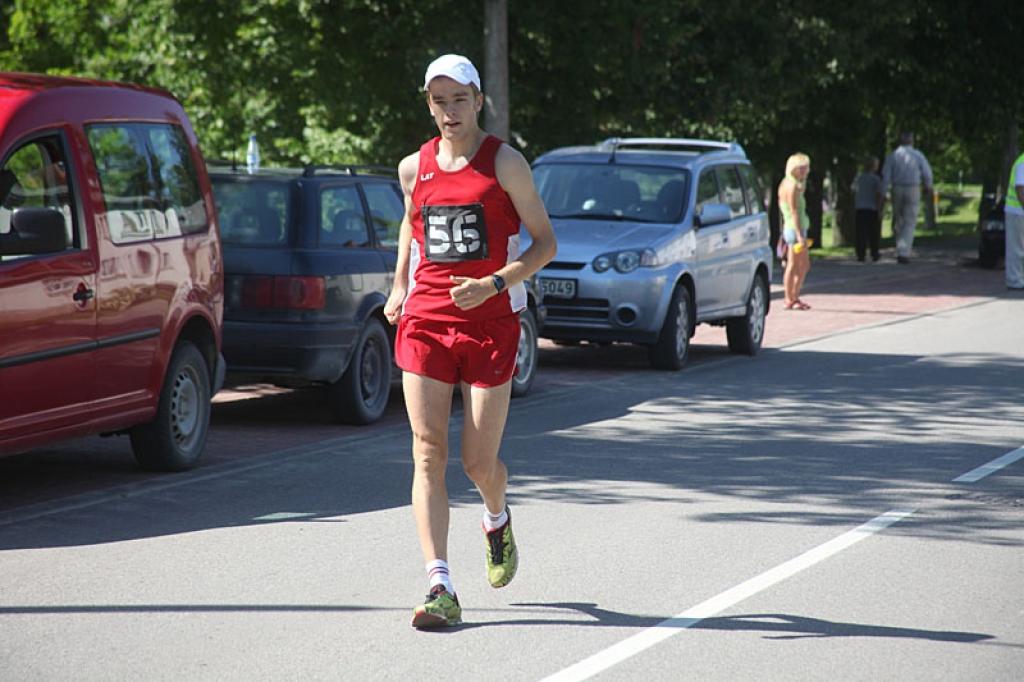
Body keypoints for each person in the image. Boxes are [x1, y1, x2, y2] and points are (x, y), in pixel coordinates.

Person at [383, 53, 557, 629]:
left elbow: (544, 244)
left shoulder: (505, 163)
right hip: (426, 322)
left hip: (490, 324)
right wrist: (398, 287)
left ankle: (496, 515)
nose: (449, 111)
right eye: (439, 100)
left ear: (478, 100)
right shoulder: (415, 167)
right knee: (427, 451)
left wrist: (494, 283)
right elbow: (412, 229)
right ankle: (439, 584)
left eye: (459, 99)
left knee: (478, 460)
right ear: (427, 103)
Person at [881, 132, 933, 264]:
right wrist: (928, 186)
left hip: (897, 187)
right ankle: (903, 252)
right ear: (912, 141)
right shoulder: (917, 155)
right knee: (910, 220)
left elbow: (886, 175)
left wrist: (884, 191)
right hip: (913, 188)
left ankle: (900, 248)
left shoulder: (893, 156)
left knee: (898, 218)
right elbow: (927, 172)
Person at [778, 152, 812, 310]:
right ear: (795, 168)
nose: (806, 171)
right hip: (795, 228)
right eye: (803, 168)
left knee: (797, 264)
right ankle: (791, 297)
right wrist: (799, 235)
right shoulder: (792, 187)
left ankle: (792, 297)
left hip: (791, 227)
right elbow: (794, 211)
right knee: (799, 265)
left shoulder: (786, 183)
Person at [852, 156, 884, 262]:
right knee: (873, 232)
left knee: (860, 232)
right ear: (874, 166)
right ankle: (874, 253)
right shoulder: (876, 179)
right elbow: (879, 194)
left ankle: (860, 254)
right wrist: (879, 209)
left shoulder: (859, 177)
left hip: (860, 208)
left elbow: (853, 190)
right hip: (872, 208)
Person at [1006, 150, 1024, 290]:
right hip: (1017, 211)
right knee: (1017, 248)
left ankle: (1018, 278)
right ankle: (1014, 281)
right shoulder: (1023, 162)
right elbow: (1020, 189)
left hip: (1018, 210)